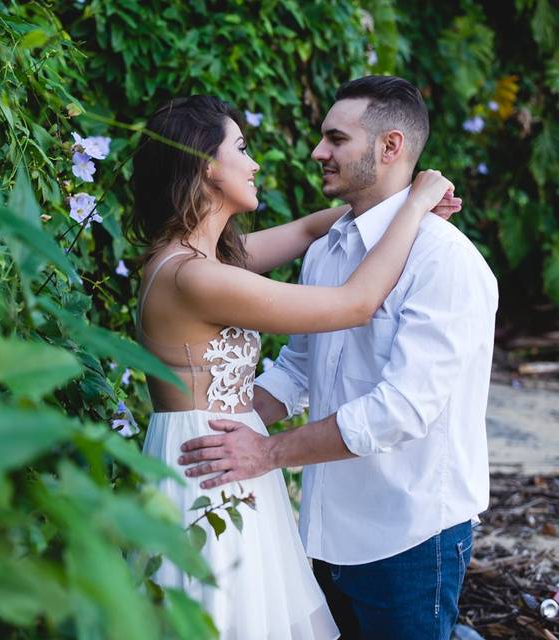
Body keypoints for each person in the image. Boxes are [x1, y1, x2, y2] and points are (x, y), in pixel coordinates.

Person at [176, 77, 498, 639]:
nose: (317, 152)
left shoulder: (444, 260)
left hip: (409, 531)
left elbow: (400, 409)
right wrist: (222, 433)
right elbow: (298, 368)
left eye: (335, 139)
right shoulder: (327, 250)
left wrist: (267, 453)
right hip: (324, 527)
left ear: (390, 147)